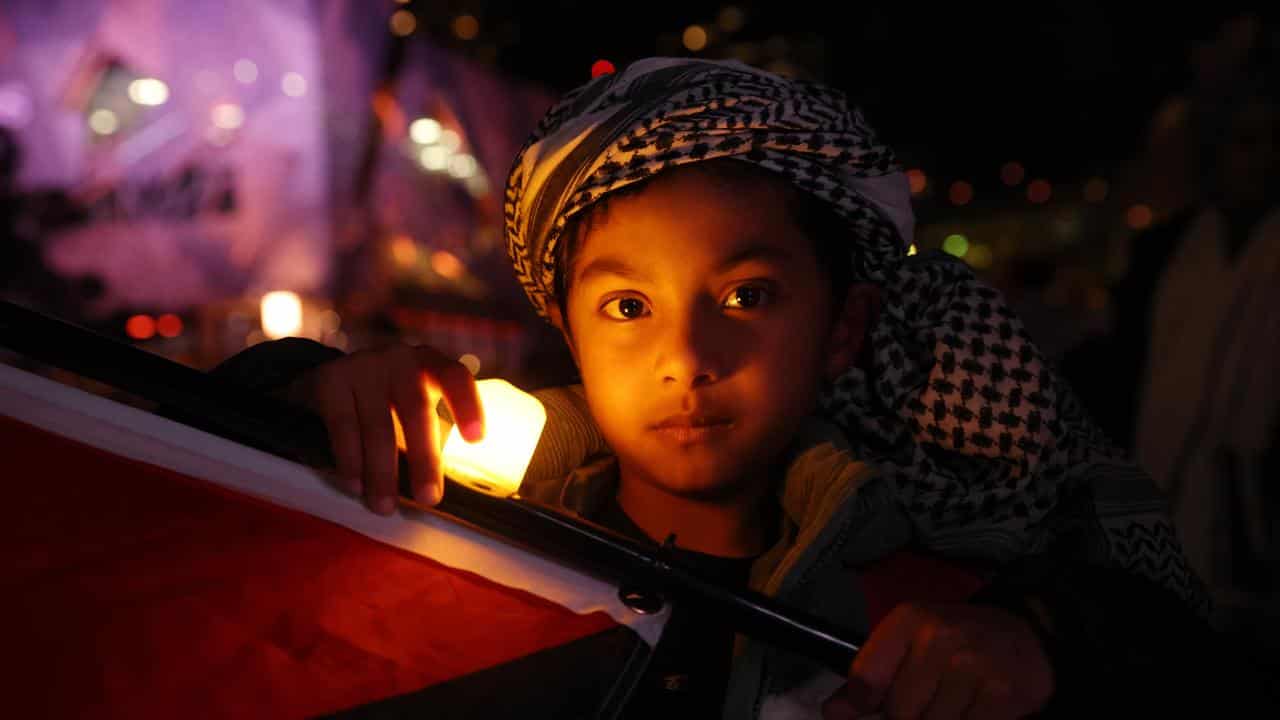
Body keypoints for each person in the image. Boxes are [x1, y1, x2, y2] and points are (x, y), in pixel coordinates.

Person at [212, 59, 1258, 718]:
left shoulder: (923, 624)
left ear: (842, 328)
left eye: (748, 296)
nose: (686, 357)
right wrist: (313, 396)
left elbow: (1174, 655)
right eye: (627, 308)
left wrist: (1046, 643)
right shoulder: (465, 517)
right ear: (569, 336)